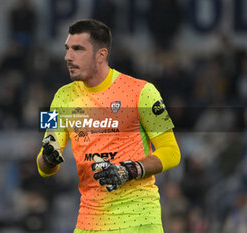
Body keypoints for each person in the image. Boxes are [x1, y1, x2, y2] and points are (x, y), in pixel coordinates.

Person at [36, 19, 181, 233]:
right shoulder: (61, 97)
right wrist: (48, 158)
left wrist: (129, 170)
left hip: (138, 221)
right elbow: (44, 167)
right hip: (89, 222)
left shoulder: (143, 92)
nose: (68, 56)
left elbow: (172, 152)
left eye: (78, 49)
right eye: (68, 49)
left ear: (101, 55)